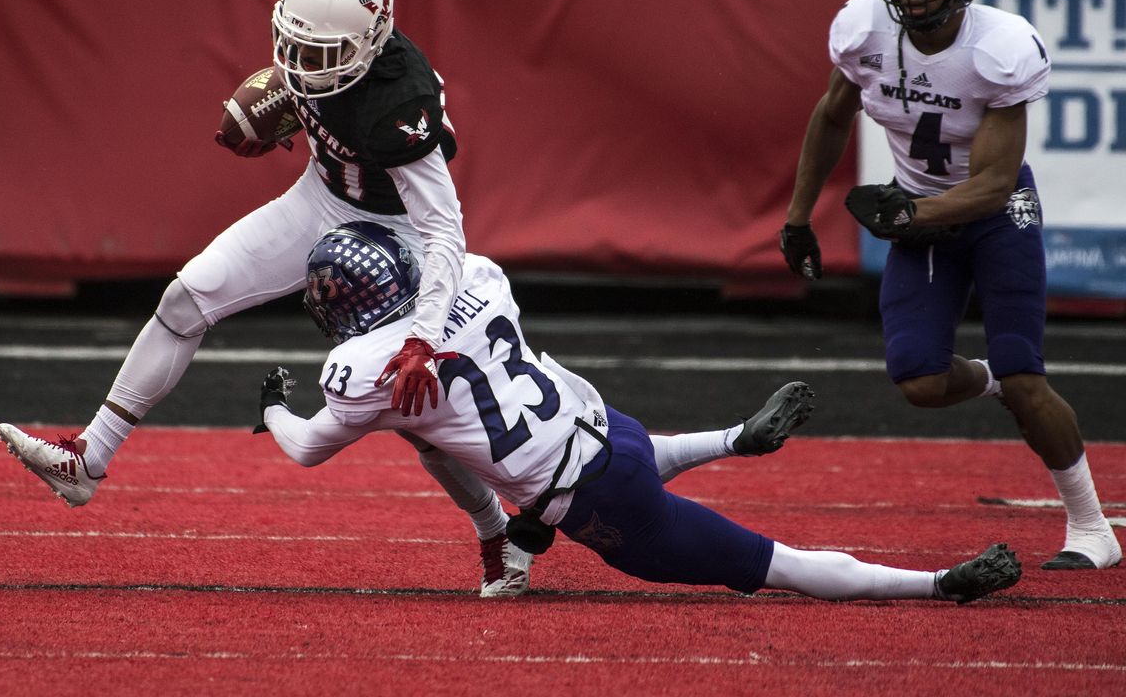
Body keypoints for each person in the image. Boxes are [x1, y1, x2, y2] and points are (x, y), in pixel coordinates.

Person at [0, 0, 533, 597]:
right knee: (185, 299)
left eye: (322, 54)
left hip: (399, 235)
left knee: (416, 408)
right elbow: (297, 93)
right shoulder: (322, 59)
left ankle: (494, 531)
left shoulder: (400, 100)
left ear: (368, 41)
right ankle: (89, 458)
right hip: (322, 200)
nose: (303, 67)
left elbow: (445, 230)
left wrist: (424, 333)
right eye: (296, 48)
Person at [255, 219, 1023, 604]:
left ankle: (934, 583)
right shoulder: (477, 275)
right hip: (602, 426)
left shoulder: (363, 371)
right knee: (444, 438)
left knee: (771, 564)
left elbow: (305, 449)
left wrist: (273, 406)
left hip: (590, 499)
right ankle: (731, 439)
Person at [778, 0, 1120, 570]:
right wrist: (798, 217)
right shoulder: (861, 29)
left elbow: (992, 183)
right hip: (920, 215)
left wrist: (910, 216)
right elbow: (831, 114)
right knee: (920, 382)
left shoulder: (999, 48)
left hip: (997, 217)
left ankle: (1091, 528)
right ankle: (995, 378)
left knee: (1028, 377)